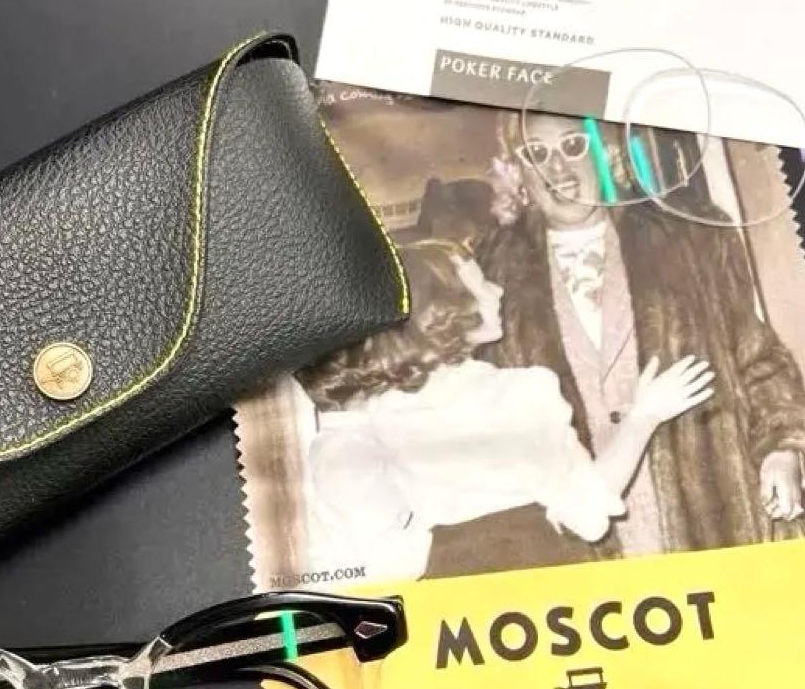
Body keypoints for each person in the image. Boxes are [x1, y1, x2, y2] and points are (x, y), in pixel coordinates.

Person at [477, 112, 805, 555]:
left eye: (573, 145)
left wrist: (783, 449)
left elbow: (756, 356)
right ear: (517, 169)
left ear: (606, 150)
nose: (558, 167)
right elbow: (491, 420)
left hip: (715, 516)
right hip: (584, 548)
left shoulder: (690, 234)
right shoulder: (494, 269)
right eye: (536, 153)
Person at [294, 241, 715, 579]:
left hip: (461, 598)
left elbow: (381, 552)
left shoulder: (373, 414)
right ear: (444, 309)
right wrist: (644, 417)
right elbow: (588, 516)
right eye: (481, 284)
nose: (497, 291)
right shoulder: (522, 393)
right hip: (536, 578)